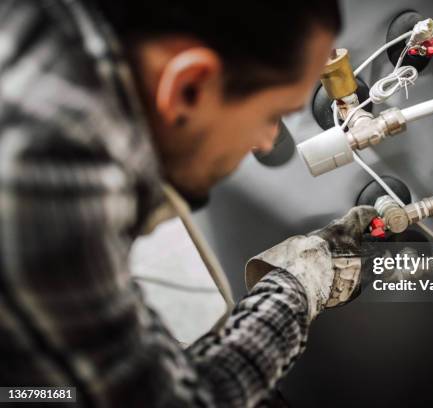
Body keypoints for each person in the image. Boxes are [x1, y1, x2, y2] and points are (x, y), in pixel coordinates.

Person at [0, 0, 377, 406]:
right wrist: (299, 284)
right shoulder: (46, 186)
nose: (267, 142)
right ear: (189, 85)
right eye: (274, 114)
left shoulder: (52, 36)